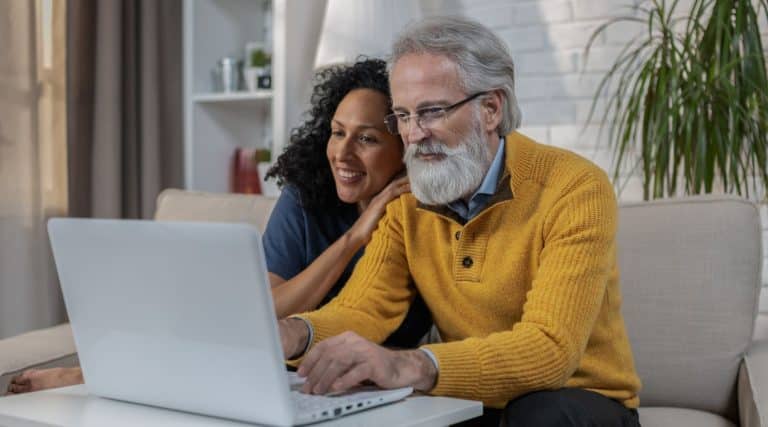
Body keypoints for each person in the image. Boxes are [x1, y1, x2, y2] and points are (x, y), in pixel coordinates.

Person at [277, 16, 642, 427]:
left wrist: (409, 366)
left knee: (541, 415)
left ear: (490, 108)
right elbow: (363, 308)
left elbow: (550, 350)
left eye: (431, 112)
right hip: (474, 398)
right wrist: (294, 333)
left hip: (578, 401)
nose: (413, 134)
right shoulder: (408, 197)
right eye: (403, 115)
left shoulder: (574, 187)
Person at [6, 58, 431, 395]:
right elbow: (268, 309)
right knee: (215, 328)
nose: (343, 153)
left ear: (405, 147)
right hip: (278, 361)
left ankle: (93, 374)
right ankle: (89, 374)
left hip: (368, 374)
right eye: (337, 133)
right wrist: (354, 237)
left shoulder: (421, 214)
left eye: (367, 139)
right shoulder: (306, 199)